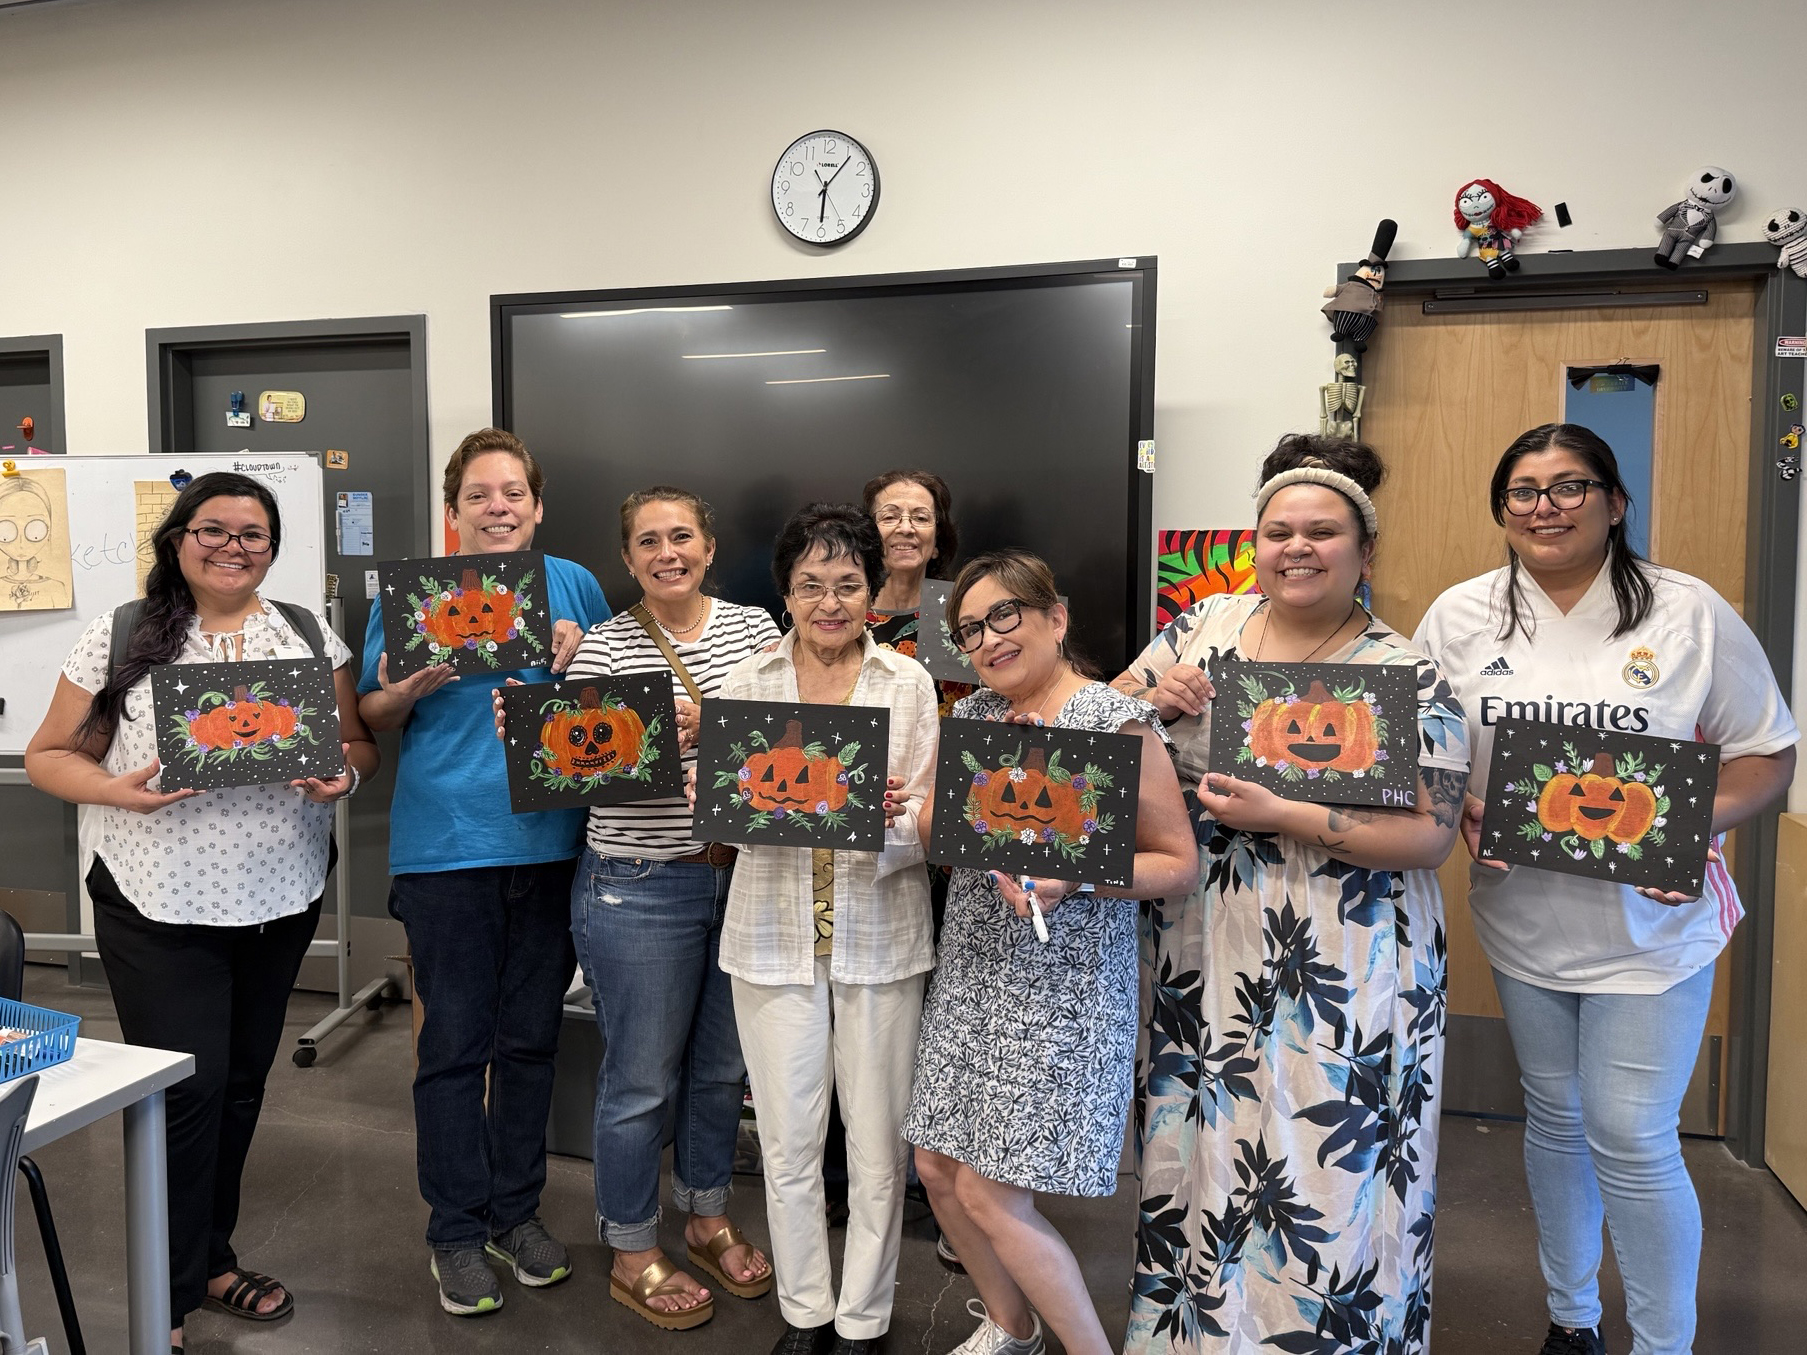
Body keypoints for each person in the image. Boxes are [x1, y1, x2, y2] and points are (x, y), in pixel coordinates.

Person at [1413, 423, 1798, 1355]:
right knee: (1552, 1117)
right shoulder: (1460, 616)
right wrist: (1458, 803)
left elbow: (1767, 756)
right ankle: (1571, 1317)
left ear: (1615, 502)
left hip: (1651, 929)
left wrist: (1689, 822)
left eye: (1568, 486)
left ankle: (1662, 1344)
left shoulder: (1686, 611)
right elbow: (1428, 752)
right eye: (1522, 491)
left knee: (1630, 1134)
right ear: (1502, 511)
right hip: (1522, 922)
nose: (1543, 506)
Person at [1116, 435, 1471, 1355]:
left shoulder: (1404, 668)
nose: (1297, 547)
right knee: (1209, 1142)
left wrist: (1291, 811)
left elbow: (1430, 837)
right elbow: (1102, 716)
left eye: (1322, 531)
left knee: (1325, 1151)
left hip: (1350, 947)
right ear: (1255, 541)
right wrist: (1149, 698)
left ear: (1363, 549)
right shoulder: (1201, 628)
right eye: (1278, 530)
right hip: (1209, 936)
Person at [25, 471, 378, 1351]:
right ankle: (168, 1299)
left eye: (253, 533)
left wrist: (346, 775)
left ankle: (211, 1258)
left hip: (278, 896)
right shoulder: (122, 635)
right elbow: (46, 755)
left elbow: (356, 743)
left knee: (244, 1087)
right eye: (213, 530)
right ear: (178, 539)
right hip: (156, 898)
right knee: (186, 1093)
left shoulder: (303, 632)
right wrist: (115, 790)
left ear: (272, 547)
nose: (232, 546)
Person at [905, 549, 1199, 1355]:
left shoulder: (1112, 721)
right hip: (972, 969)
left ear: (1054, 617)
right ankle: (1010, 1326)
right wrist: (969, 785)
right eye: (970, 628)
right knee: (936, 1171)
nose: (990, 638)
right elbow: (935, 833)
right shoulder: (972, 720)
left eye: (1005, 615)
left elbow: (1177, 860)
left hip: (1061, 988)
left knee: (991, 1194)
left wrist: (1073, 874)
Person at [505, 486, 778, 1329]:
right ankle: (629, 1245)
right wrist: (664, 737)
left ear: (708, 545)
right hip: (637, 882)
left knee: (721, 1072)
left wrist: (720, 727)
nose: (668, 552)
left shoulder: (757, 631)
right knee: (639, 1080)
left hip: (740, 878)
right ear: (627, 560)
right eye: (649, 541)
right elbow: (576, 772)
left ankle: (703, 1217)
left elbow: (788, 740)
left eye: (682, 536)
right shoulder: (604, 649)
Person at [358, 428, 609, 1318]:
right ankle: (456, 1230)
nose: (496, 505)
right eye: (478, 494)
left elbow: (609, 718)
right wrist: (404, 688)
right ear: (453, 511)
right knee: (453, 1046)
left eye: (512, 492)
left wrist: (583, 663)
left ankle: (516, 1212)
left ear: (535, 506)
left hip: (549, 846)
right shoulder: (416, 593)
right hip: (446, 851)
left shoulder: (575, 583)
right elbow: (374, 713)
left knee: (532, 1040)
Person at [716, 503, 938, 1355]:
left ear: (874, 594)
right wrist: (766, 804)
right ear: (786, 593)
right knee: (787, 1139)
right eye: (811, 584)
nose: (830, 602)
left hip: (879, 935)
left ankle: (864, 1317)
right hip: (770, 937)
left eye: (848, 584)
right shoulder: (748, 683)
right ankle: (805, 1309)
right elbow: (729, 824)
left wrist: (884, 815)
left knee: (878, 1147)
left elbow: (926, 816)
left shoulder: (906, 684)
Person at [861, 469, 974, 716]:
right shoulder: (845, 612)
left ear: (936, 544)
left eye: (921, 518)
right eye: (889, 517)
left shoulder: (967, 613)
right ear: (868, 537)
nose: (905, 528)